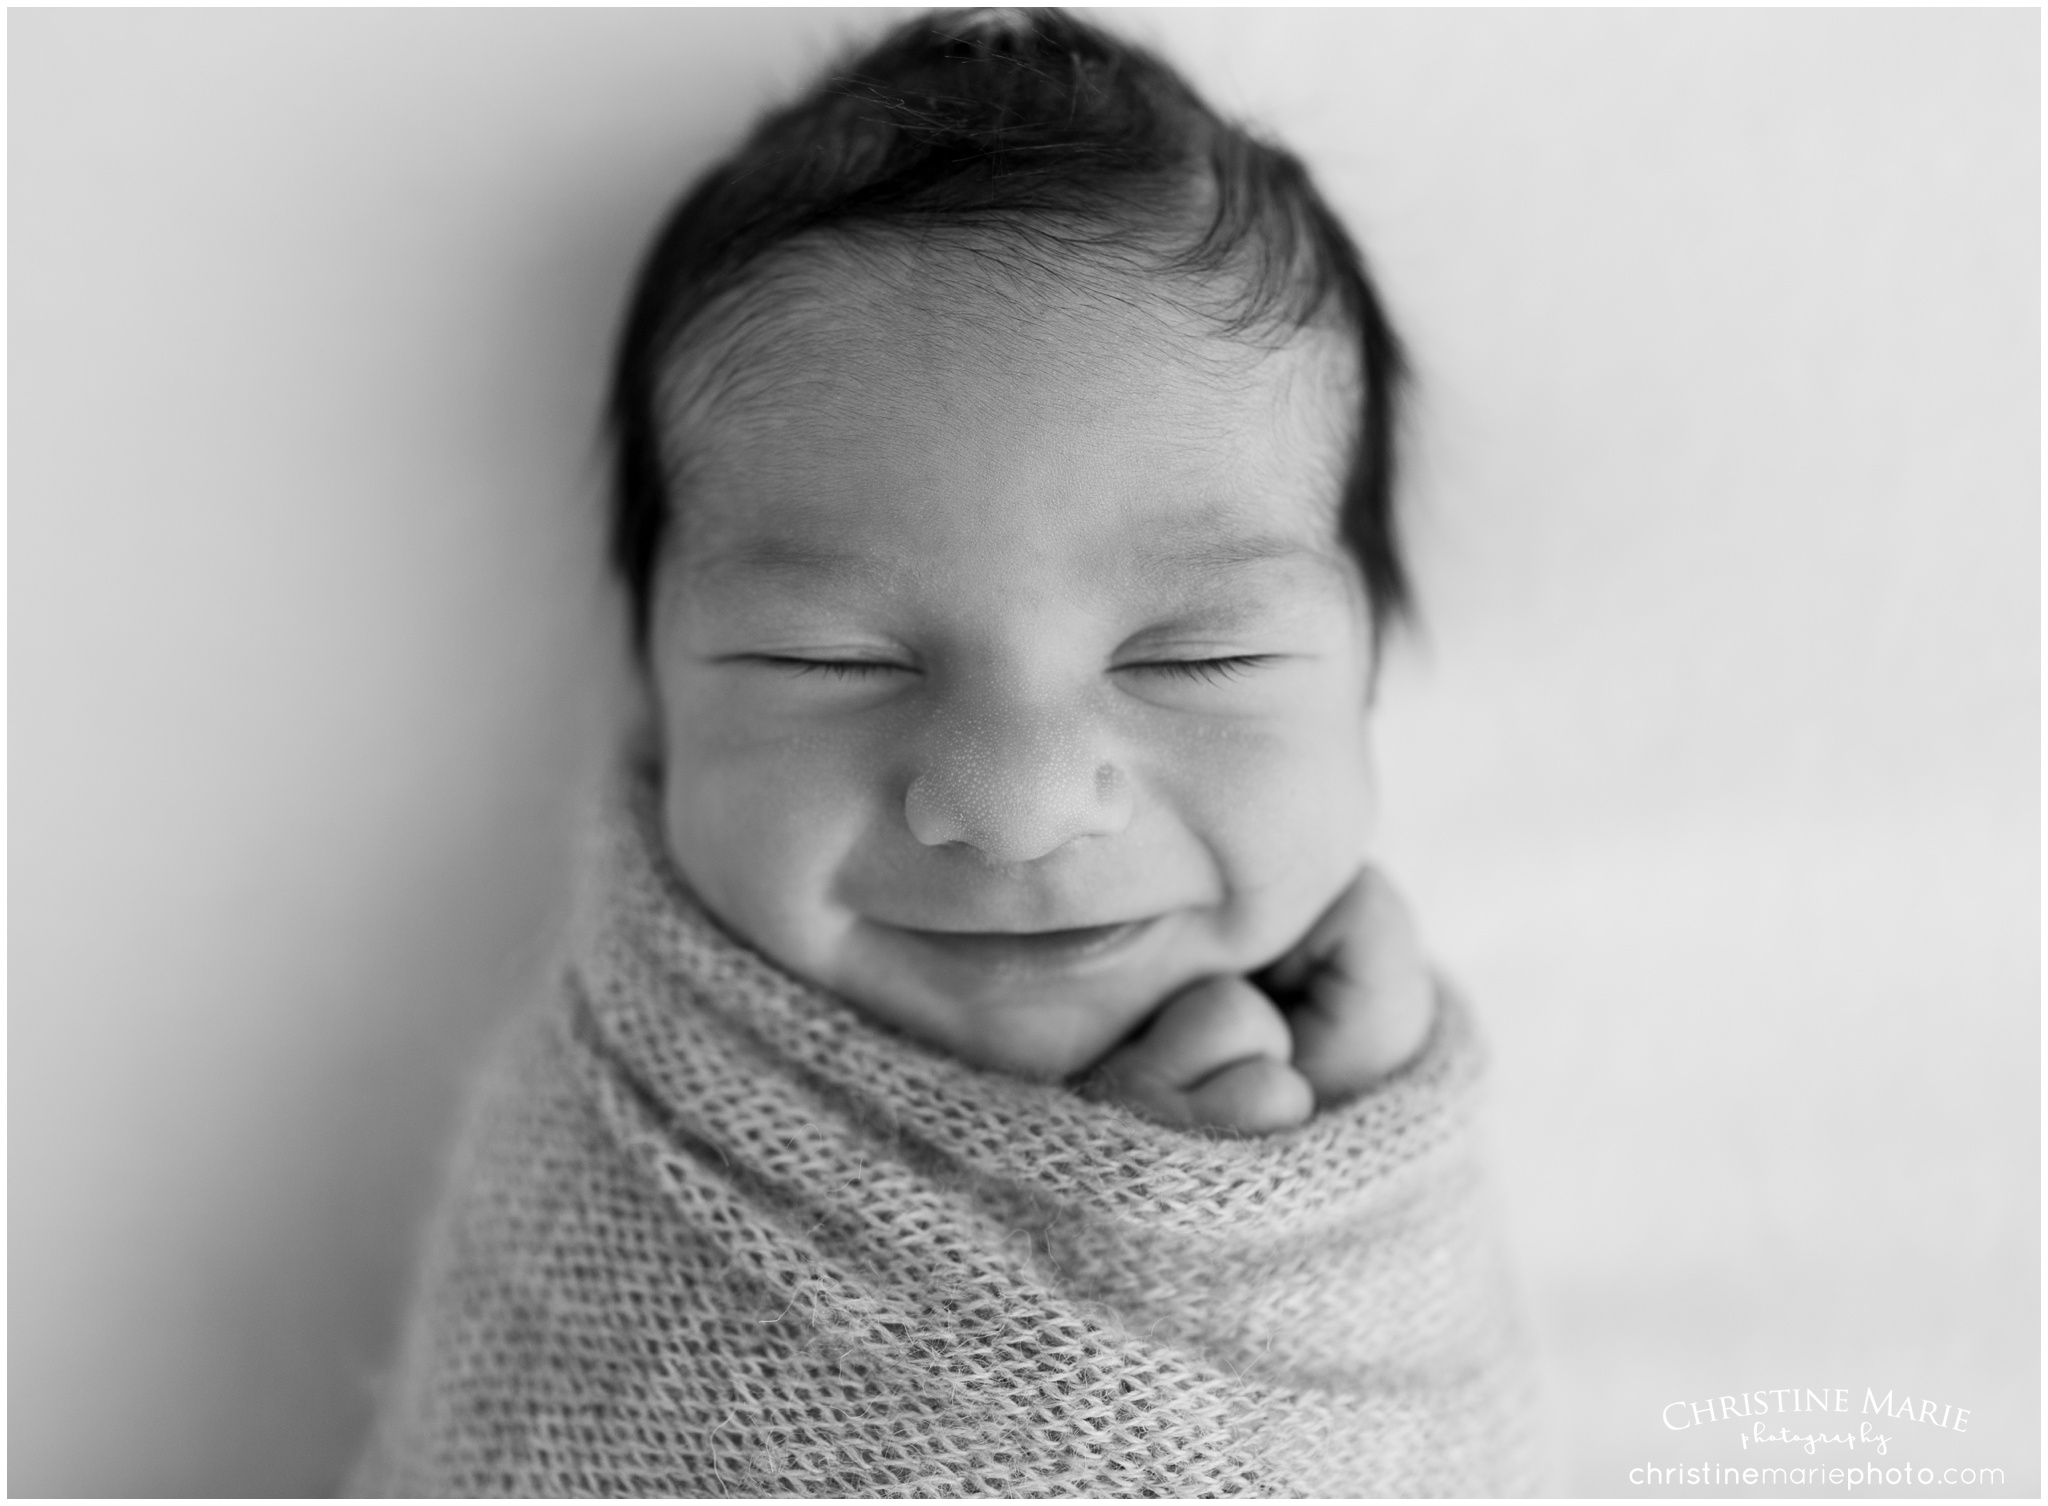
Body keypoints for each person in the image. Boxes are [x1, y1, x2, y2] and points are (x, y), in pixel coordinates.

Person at [353, 9, 1536, 1494]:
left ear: (1363, 686)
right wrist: (1124, 1253)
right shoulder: (602, 1168)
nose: (1019, 807)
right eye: (832, 660)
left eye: (1195, 656)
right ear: (650, 696)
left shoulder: (1389, 1108)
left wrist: (1310, 1193)